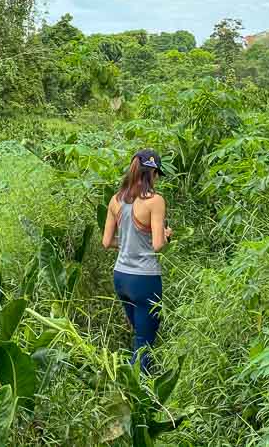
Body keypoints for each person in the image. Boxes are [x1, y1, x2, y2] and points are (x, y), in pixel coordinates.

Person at [102, 148, 172, 373]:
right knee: (145, 342)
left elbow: (106, 241)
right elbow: (158, 244)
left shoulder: (115, 200)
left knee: (139, 336)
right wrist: (166, 235)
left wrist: (130, 245)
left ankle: (132, 385)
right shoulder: (155, 201)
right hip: (145, 280)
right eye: (157, 175)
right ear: (151, 174)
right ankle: (139, 395)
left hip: (121, 277)